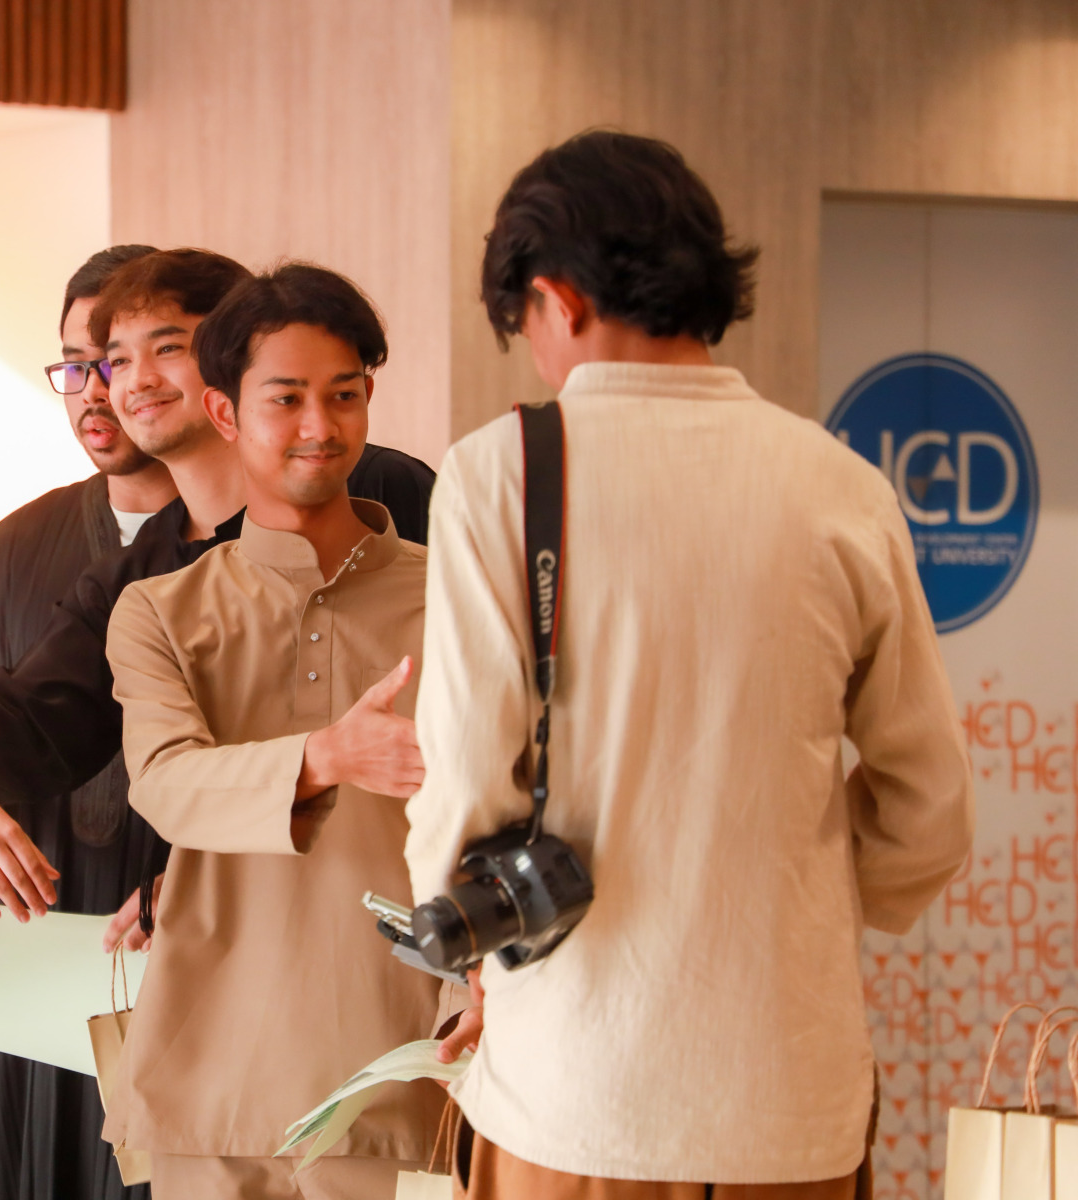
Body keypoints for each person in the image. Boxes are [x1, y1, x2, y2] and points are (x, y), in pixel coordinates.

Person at [404, 131, 974, 1199]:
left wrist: (468, 940)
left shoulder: (500, 475)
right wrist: (786, 892)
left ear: (559, 299)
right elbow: (931, 808)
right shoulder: (842, 487)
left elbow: (467, 793)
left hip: (576, 1092)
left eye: (525, 326)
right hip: (789, 1102)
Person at [0, 250, 438, 923]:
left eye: (168, 348)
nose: (131, 382)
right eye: (117, 360)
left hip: (404, 910)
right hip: (202, 933)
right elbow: (36, 733)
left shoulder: (374, 487)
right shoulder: (137, 584)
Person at [102, 263, 449, 1199]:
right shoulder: (158, 612)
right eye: (286, 399)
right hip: (207, 1079)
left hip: (398, 1069)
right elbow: (166, 783)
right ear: (224, 412)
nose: (319, 426)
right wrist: (329, 755)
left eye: (344, 396)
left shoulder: (460, 595)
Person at [0, 244, 176, 1200]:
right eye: (75, 366)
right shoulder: (17, 546)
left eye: (115, 362)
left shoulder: (237, 543)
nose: (94, 392)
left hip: (173, 946)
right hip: (39, 951)